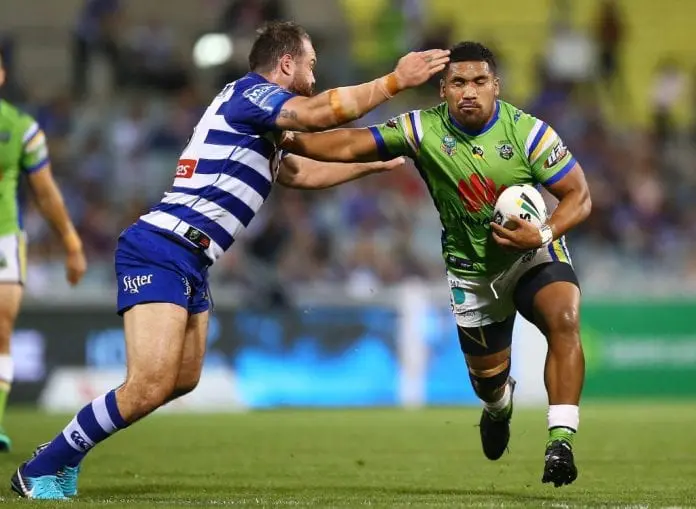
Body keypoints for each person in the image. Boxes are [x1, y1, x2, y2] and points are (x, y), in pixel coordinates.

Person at [10, 21, 449, 500]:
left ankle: (60, 455)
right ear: (286, 64)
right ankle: (43, 466)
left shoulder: (265, 122)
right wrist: (393, 82)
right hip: (162, 247)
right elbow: (322, 113)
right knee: (148, 384)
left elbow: (302, 171)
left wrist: (370, 163)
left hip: (191, 258)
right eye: (310, 64)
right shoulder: (251, 95)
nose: (314, 73)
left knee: (182, 378)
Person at [280, 41, 592, 487]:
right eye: (458, 82)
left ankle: (560, 442)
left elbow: (579, 196)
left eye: (479, 81)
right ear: (443, 90)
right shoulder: (421, 129)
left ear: (497, 86)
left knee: (564, 318)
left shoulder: (529, 134)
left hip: (532, 253)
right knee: (488, 384)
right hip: (472, 274)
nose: (469, 91)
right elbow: (351, 143)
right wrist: (289, 137)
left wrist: (542, 233)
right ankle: (498, 407)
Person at [0, 55, 87, 452]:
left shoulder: (21, 128)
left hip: (4, 237)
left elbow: (46, 193)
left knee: (1, 330)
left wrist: (71, 243)